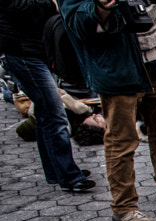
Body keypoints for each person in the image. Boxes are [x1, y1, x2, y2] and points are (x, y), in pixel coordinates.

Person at [61, 0, 156, 221]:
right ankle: (124, 207)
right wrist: (101, 8)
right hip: (118, 67)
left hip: (155, 60)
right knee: (122, 140)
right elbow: (76, 23)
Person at [0, 0, 95, 193]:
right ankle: (69, 176)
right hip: (22, 52)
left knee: (45, 113)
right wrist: (52, 5)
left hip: (36, 49)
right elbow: (20, 8)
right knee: (54, 113)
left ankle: (56, 171)